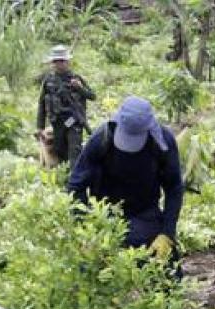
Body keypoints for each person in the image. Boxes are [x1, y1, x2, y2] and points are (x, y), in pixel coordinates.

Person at [67, 97, 182, 263]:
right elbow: (76, 186)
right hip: (105, 214)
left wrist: (167, 233)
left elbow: (174, 188)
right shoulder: (101, 138)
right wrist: (84, 230)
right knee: (92, 269)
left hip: (145, 213)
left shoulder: (163, 142)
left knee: (167, 268)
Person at [36, 45, 96, 169]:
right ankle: (65, 177)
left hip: (74, 122)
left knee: (74, 151)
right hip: (58, 123)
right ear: (52, 63)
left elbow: (92, 96)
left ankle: (75, 182)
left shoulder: (76, 78)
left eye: (62, 61)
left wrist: (80, 88)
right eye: (56, 61)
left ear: (67, 62)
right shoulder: (48, 81)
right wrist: (40, 127)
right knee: (60, 151)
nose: (59, 64)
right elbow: (42, 104)